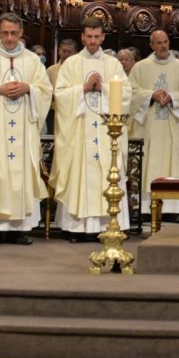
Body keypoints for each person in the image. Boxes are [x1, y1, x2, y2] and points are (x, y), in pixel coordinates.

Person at [0, 12, 52, 246]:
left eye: (14, 33)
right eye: (5, 33)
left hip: (23, 129)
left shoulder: (32, 60)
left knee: (21, 173)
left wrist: (29, 88)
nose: (9, 38)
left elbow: (45, 90)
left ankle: (18, 229)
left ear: (21, 33)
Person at [50, 17, 133, 240]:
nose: (93, 41)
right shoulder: (71, 64)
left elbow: (126, 94)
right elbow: (60, 95)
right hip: (79, 130)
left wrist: (103, 88)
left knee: (107, 173)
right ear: (82, 37)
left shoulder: (112, 64)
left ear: (103, 37)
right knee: (78, 172)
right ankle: (76, 228)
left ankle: (108, 225)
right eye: (89, 37)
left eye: (97, 37)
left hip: (106, 131)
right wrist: (83, 89)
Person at [129, 30, 179, 216]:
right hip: (149, 126)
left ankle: (174, 208)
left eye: (165, 42)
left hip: (173, 126)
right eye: (158, 43)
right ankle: (147, 208)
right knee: (149, 163)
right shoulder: (140, 67)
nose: (163, 46)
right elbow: (130, 92)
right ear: (151, 45)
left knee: (172, 162)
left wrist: (172, 98)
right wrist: (151, 95)